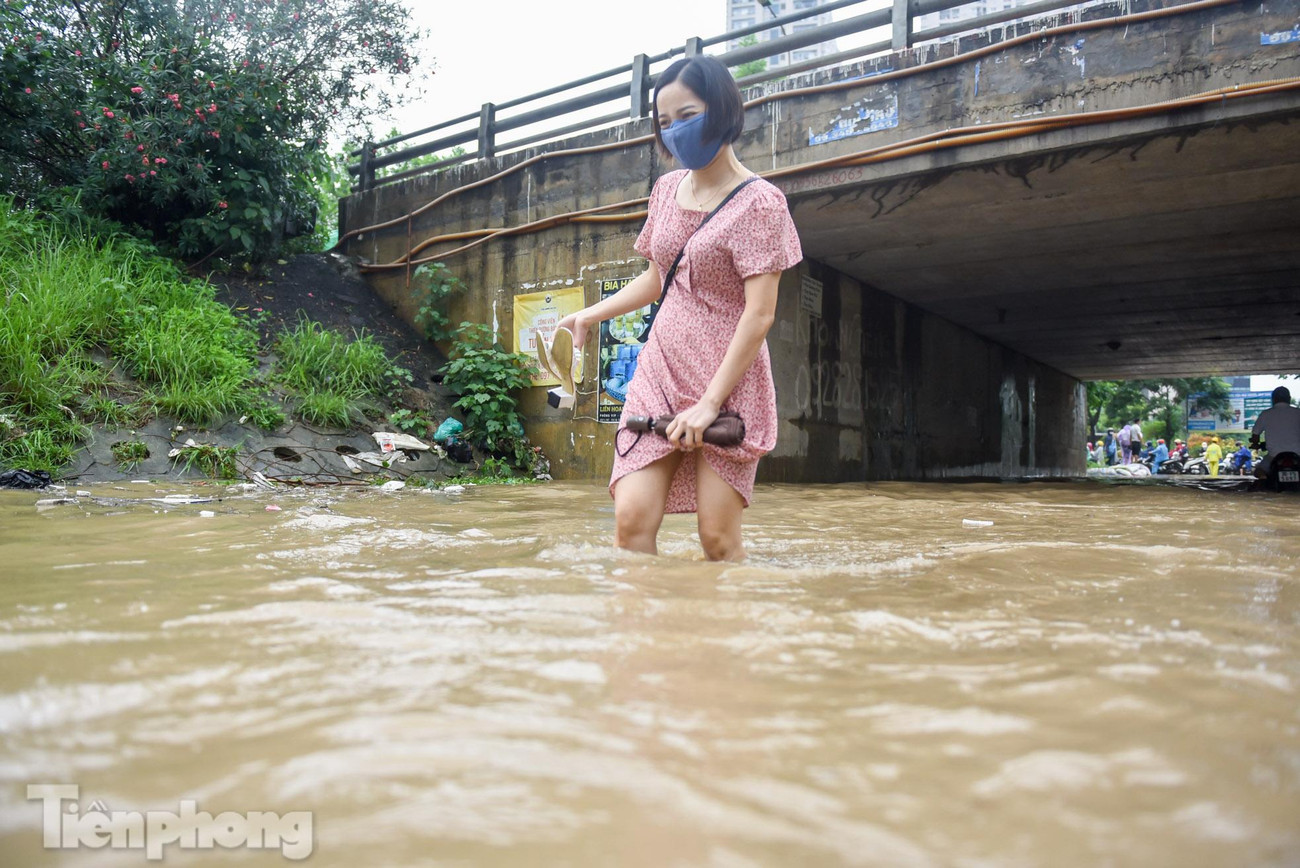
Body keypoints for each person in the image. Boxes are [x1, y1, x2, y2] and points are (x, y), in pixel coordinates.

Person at [555, 54, 802, 562]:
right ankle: (646, 638)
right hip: (660, 368)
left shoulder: (762, 204)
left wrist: (711, 402)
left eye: (687, 116)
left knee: (717, 539)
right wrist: (590, 315)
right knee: (631, 522)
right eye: (665, 123)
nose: (675, 133)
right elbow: (656, 277)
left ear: (722, 110)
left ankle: (716, 637)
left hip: (728, 382)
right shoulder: (666, 190)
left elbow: (759, 314)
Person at [1249, 386, 1300, 476]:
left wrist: (1255, 444)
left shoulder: (1265, 414)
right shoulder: (1298, 412)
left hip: (1273, 456)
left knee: (1259, 472)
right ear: (1289, 398)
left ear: (1273, 399)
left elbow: (1255, 435)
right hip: (1298, 456)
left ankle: (1264, 484)